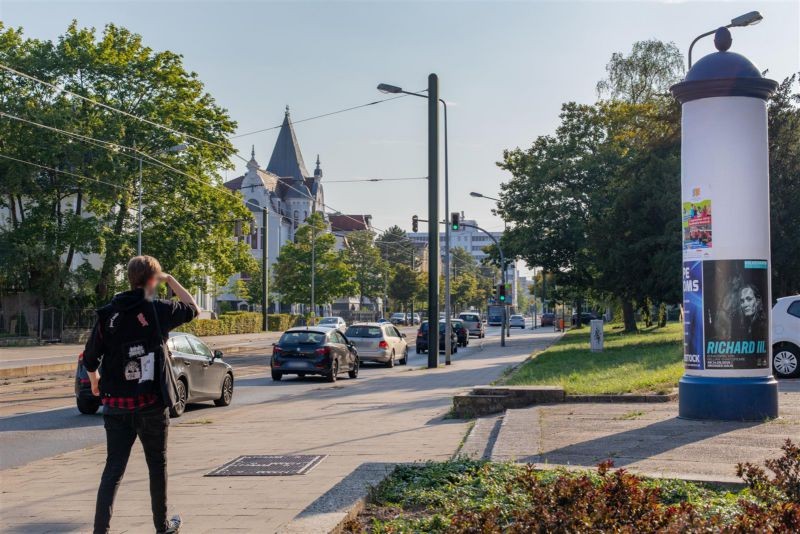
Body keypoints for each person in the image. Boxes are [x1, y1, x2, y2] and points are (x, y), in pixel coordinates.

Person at [83, 256, 198, 534]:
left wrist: (96, 382)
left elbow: (89, 359)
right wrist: (170, 280)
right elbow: (193, 308)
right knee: (157, 466)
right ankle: (162, 526)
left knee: (113, 470)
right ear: (152, 280)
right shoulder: (157, 309)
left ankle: (101, 531)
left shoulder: (108, 314)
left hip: (116, 406)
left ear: (130, 279)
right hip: (150, 404)